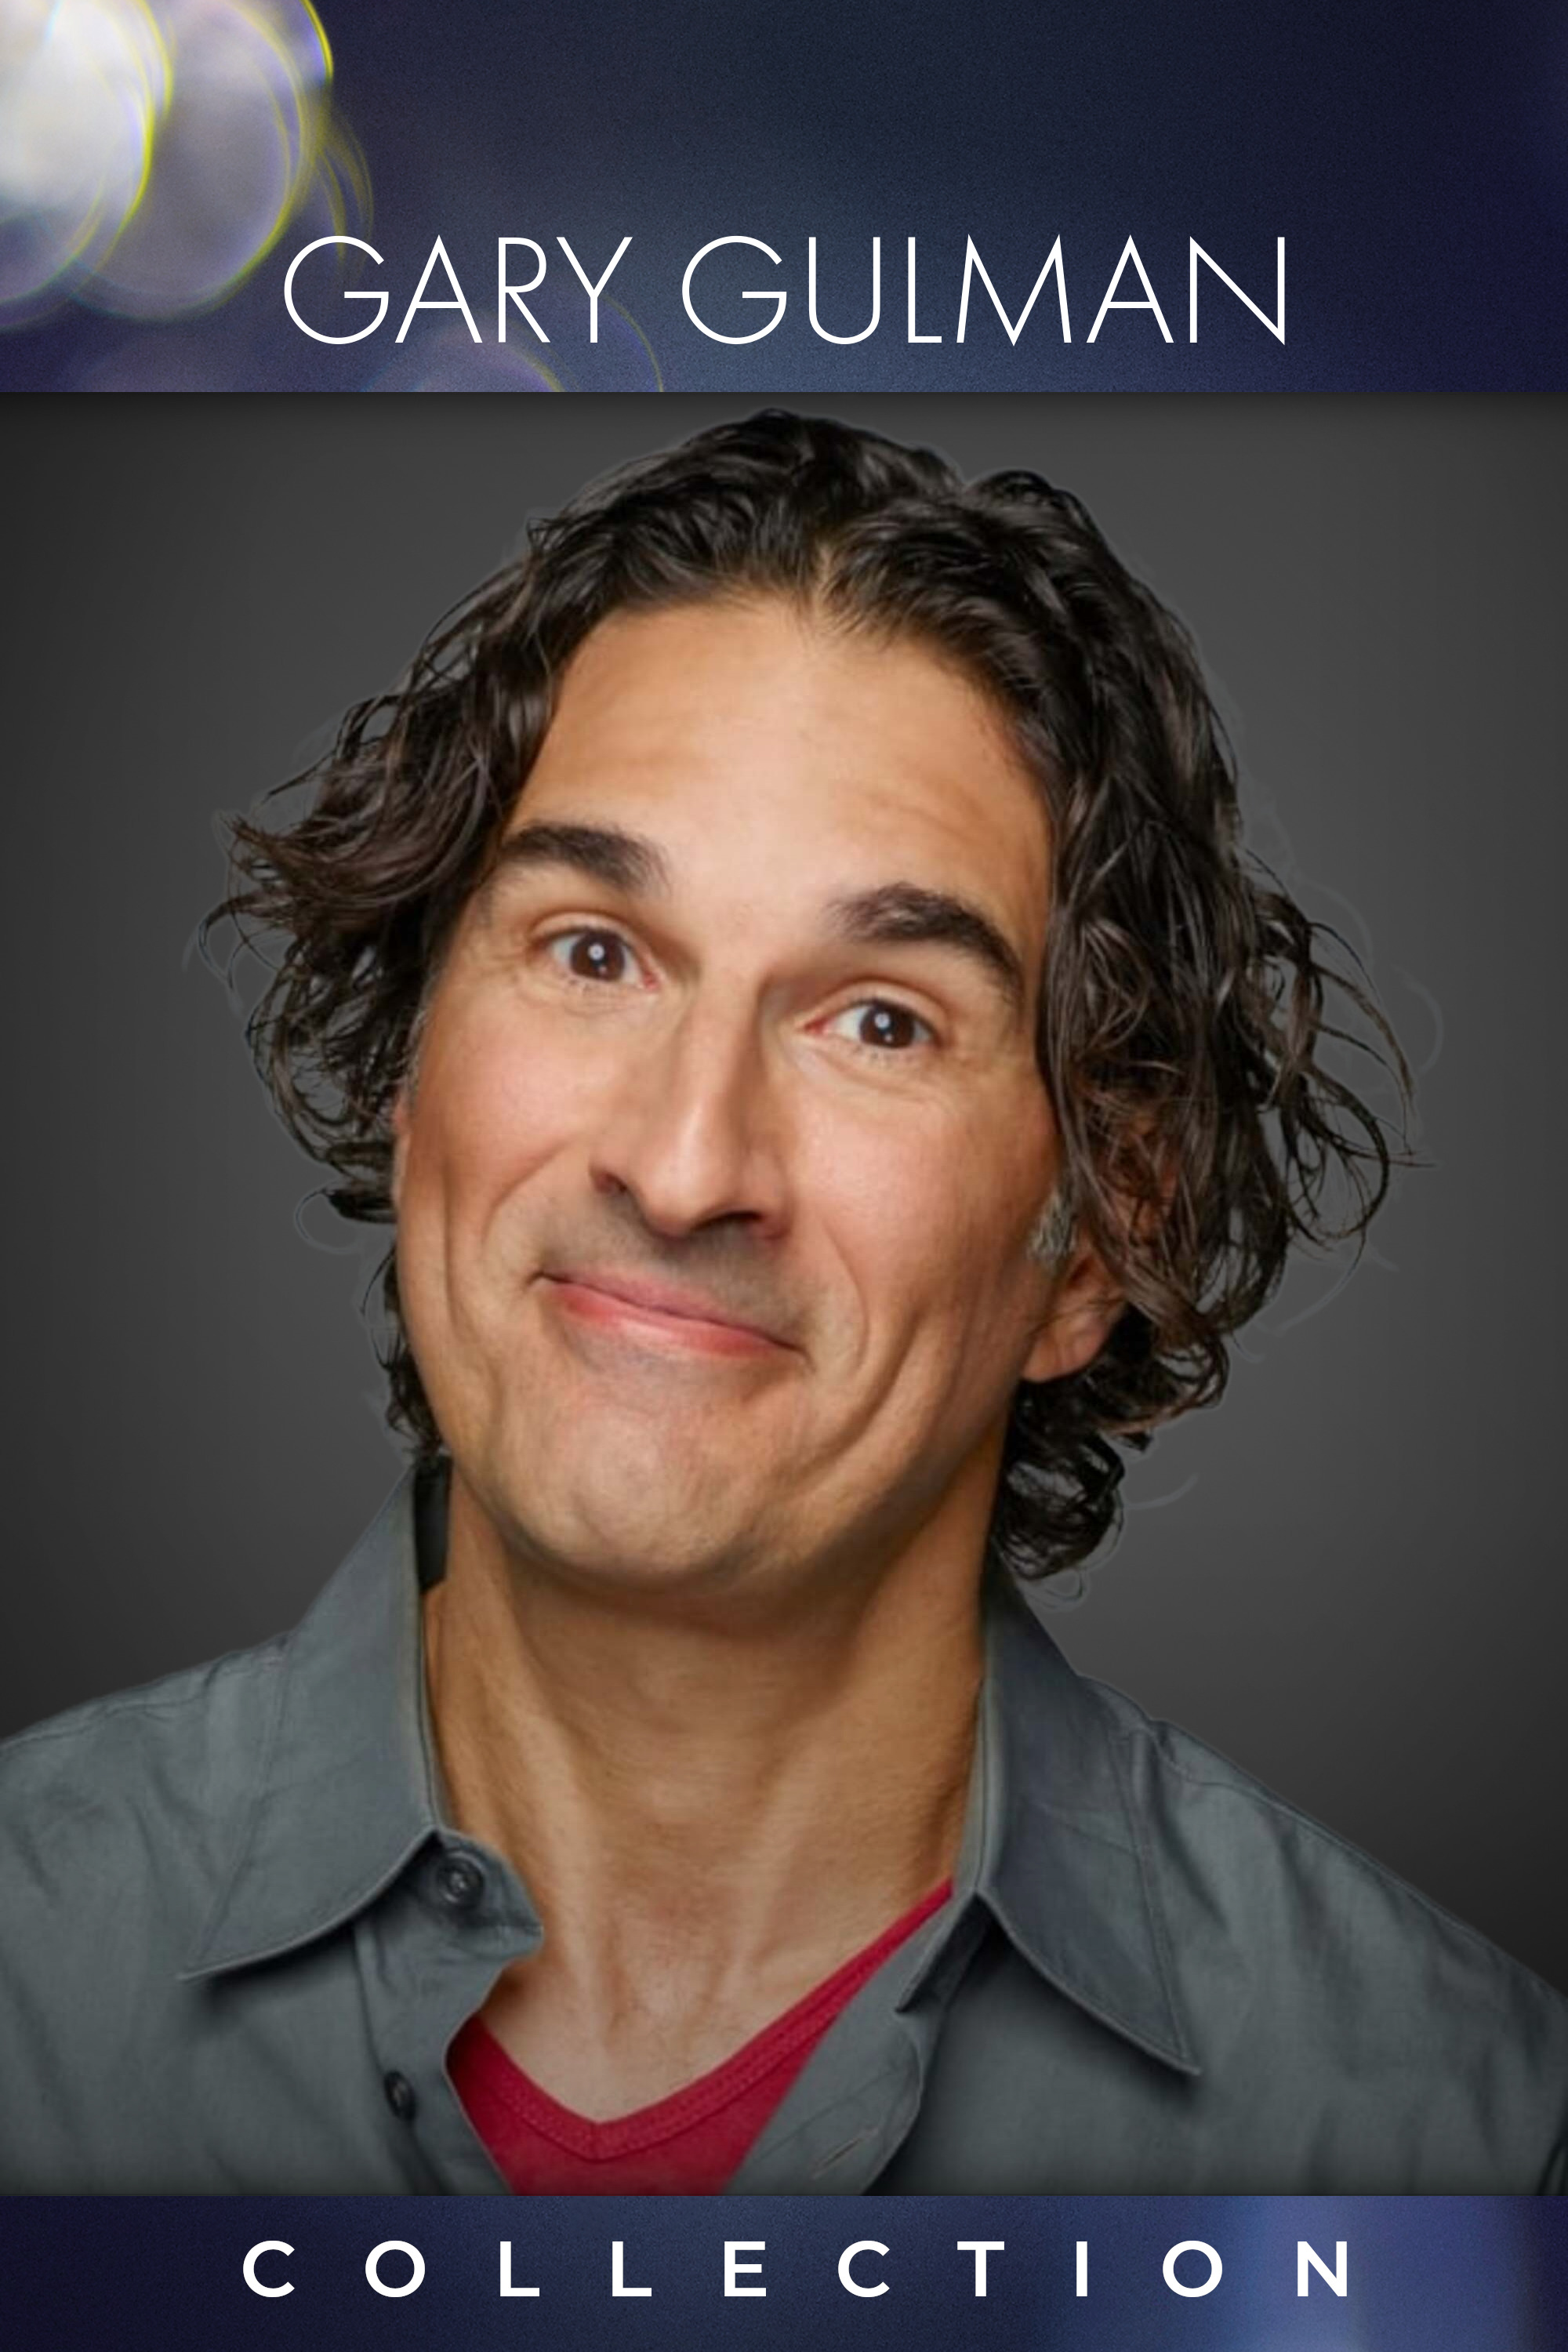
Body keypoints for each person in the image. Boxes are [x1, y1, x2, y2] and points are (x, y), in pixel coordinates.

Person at [1, 411, 1563, 2194]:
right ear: (412, 1073)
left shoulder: (1459, 2143)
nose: (684, 1167)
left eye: (879, 1021)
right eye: (595, 953)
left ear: (1100, 1233)